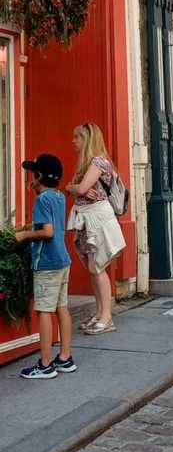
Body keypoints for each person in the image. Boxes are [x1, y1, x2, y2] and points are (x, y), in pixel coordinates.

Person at [15, 154, 75, 379]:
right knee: (62, 308)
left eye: (33, 173)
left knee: (44, 311)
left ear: (39, 176)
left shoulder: (41, 200)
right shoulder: (59, 197)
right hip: (63, 260)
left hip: (47, 263)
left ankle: (45, 364)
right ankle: (65, 357)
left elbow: (47, 232)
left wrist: (23, 235)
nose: (31, 177)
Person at [65, 123, 127, 335]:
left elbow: (80, 188)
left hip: (97, 218)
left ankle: (107, 317)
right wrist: (73, 188)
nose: (73, 141)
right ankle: (100, 313)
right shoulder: (87, 164)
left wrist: (72, 188)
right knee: (93, 268)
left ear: (88, 140)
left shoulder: (98, 161)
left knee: (97, 267)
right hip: (88, 218)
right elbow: (76, 189)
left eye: (77, 137)